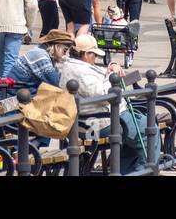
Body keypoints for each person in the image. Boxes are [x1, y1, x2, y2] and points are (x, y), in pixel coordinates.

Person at [59, 33, 144, 174]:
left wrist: (111, 67)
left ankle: (129, 171)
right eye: (95, 55)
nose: (96, 59)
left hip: (89, 120)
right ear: (86, 54)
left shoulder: (73, 65)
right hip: (97, 123)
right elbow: (105, 94)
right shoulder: (80, 71)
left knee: (137, 132)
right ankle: (145, 171)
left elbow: (96, 79)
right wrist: (111, 76)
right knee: (148, 129)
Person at [9, 29, 74, 90]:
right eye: (64, 50)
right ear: (57, 47)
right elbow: (56, 82)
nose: (65, 54)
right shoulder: (41, 55)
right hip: (15, 94)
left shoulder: (45, 53)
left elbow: (57, 76)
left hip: (23, 90)